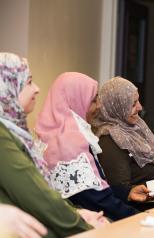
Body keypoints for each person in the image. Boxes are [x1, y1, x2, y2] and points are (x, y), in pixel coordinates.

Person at [0, 52, 106, 237]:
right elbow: (37, 197)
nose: (37, 89)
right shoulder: (2, 136)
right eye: (28, 82)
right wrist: (85, 227)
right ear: (7, 88)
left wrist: (78, 214)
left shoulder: (15, 130)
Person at [35, 72, 149, 221]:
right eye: (94, 100)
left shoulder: (55, 135)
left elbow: (86, 191)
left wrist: (125, 193)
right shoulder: (68, 143)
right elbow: (96, 200)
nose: (99, 106)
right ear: (76, 101)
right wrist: (141, 218)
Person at [91, 77, 154, 202]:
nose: (139, 107)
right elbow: (121, 189)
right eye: (133, 104)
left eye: (138, 101)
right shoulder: (109, 139)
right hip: (144, 209)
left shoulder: (137, 126)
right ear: (117, 106)